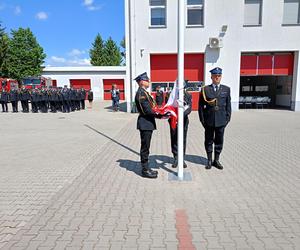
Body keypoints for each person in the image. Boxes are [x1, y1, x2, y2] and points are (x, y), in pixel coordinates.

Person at [198, 67, 231, 170]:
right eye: (215, 76)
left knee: (219, 141)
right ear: (211, 77)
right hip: (209, 121)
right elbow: (200, 107)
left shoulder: (226, 89)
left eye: (219, 76)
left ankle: (216, 160)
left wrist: (227, 119)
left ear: (221, 77)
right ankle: (209, 160)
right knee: (208, 140)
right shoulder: (205, 89)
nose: (217, 77)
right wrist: (202, 120)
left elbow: (228, 105)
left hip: (221, 121)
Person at [135, 72, 163, 179]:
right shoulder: (141, 94)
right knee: (145, 148)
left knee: (146, 147)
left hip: (147, 123)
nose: (149, 81)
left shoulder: (144, 92)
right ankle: (145, 170)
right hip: (145, 123)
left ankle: (146, 167)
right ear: (142, 82)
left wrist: (159, 112)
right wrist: (160, 115)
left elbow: (152, 106)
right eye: (147, 80)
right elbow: (147, 110)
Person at [169, 84, 192, 168]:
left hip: (184, 120)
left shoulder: (188, 95)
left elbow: (189, 108)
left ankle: (182, 159)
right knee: (174, 138)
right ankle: (175, 157)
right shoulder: (172, 95)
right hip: (173, 120)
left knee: (183, 139)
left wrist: (181, 115)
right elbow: (168, 106)